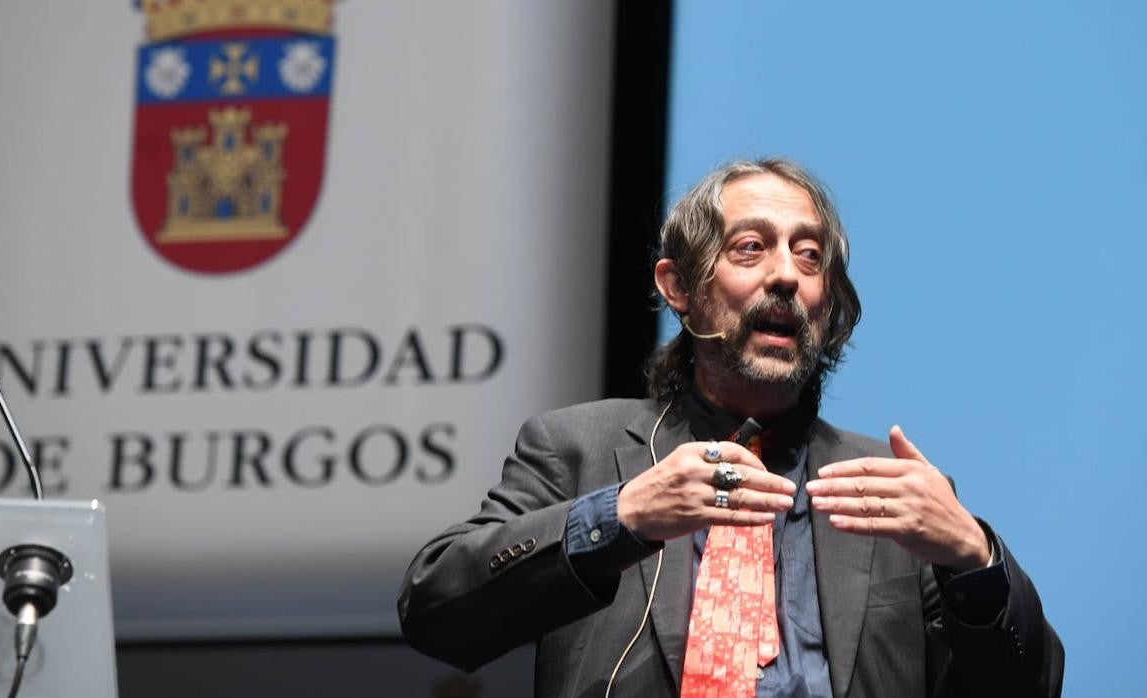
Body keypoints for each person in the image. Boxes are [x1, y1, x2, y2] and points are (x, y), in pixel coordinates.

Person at [397, 159, 1063, 697]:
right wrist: (621, 515)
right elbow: (436, 611)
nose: (784, 275)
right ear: (679, 286)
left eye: (810, 257)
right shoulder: (580, 450)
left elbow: (1031, 687)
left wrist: (974, 557)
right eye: (751, 248)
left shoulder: (894, 495)